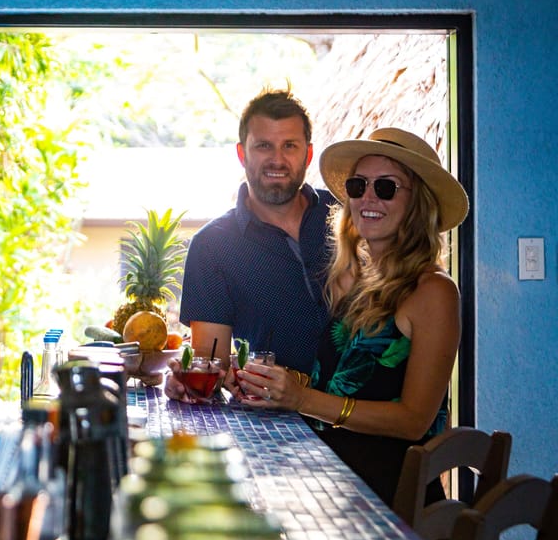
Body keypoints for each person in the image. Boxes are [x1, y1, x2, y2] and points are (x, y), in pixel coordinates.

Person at [232, 127, 469, 506]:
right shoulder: (354, 280)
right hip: (327, 478)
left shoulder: (434, 291)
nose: (368, 198)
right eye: (359, 186)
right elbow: (342, 384)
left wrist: (300, 398)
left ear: (418, 204)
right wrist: (274, 382)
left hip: (385, 500)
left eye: (386, 187)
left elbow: (414, 420)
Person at [166, 88, 336, 402]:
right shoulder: (212, 247)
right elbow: (210, 363)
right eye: (263, 146)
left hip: (369, 420)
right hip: (277, 425)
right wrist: (187, 381)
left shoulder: (348, 218)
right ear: (242, 154)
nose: (277, 159)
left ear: (308, 154)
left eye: (290, 146)